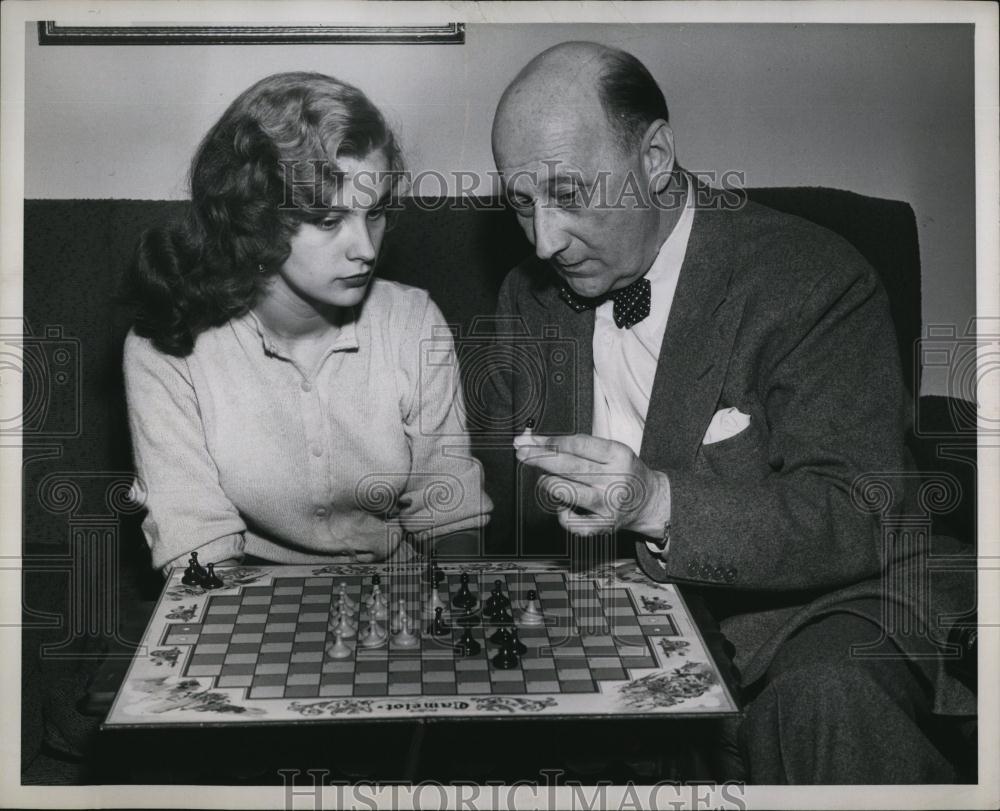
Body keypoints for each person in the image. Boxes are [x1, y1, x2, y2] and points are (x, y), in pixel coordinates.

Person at [485, 42, 973, 783]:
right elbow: (522, 487)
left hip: (819, 616)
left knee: (822, 700)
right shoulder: (529, 297)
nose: (545, 239)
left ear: (654, 157)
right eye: (523, 204)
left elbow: (858, 511)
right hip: (628, 632)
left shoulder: (812, 279)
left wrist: (654, 499)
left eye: (570, 193)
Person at [123, 72, 490, 574]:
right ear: (253, 217)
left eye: (375, 213)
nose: (365, 249)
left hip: (396, 596)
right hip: (243, 596)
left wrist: (461, 605)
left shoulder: (412, 322)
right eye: (327, 220)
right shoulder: (166, 347)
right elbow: (197, 547)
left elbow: (448, 514)